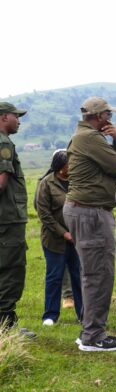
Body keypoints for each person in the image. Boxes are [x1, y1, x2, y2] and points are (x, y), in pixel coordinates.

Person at [63, 96, 116, 351]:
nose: (110, 118)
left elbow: (112, 166)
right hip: (90, 212)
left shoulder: (85, 137)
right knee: (98, 274)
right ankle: (93, 336)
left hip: (85, 211)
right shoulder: (90, 138)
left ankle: (89, 331)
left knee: (93, 273)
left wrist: (115, 142)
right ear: (100, 116)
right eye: (108, 114)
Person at [35, 150, 83, 326]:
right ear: (60, 167)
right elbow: (44, 214)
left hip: (77, 239)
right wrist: (64, 233)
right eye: (69, 164)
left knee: (78, 276)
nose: (72, 167)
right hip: (54, 240)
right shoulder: (46, 184)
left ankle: (83, 314)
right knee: (54, 276)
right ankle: (50, 315)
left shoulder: (77, 181)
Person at [0, 102, 35, 338]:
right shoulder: (3, 143)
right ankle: (6, 326)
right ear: (4, 117)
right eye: (16, 116)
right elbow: (1, 183)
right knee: (11, 270)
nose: (19, 121)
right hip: (8, 220)